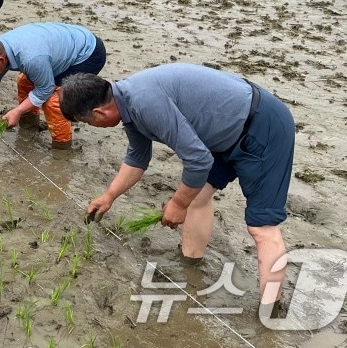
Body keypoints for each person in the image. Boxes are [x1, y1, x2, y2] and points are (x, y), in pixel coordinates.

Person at [59, 65, 295, 312]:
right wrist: (109, 196)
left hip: (262, 126)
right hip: (226, 131)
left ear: (99, 113)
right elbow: (138, 157)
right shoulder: (126, 104)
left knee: (261, 228)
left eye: (86, 122)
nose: (89, 126)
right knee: (197, 197)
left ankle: (270, 310)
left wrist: (177, 204)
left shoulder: (145, 102)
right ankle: (191, 266)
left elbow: (198, 160)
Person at [0, 23, 107, 149]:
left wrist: (18, 111)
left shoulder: (31, 58)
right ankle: (29, 125)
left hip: (87, 53)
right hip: (57, 49)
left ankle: (62, 146)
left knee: (54, 101)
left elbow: (45, 89)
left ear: (1, 60)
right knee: (25, 82)